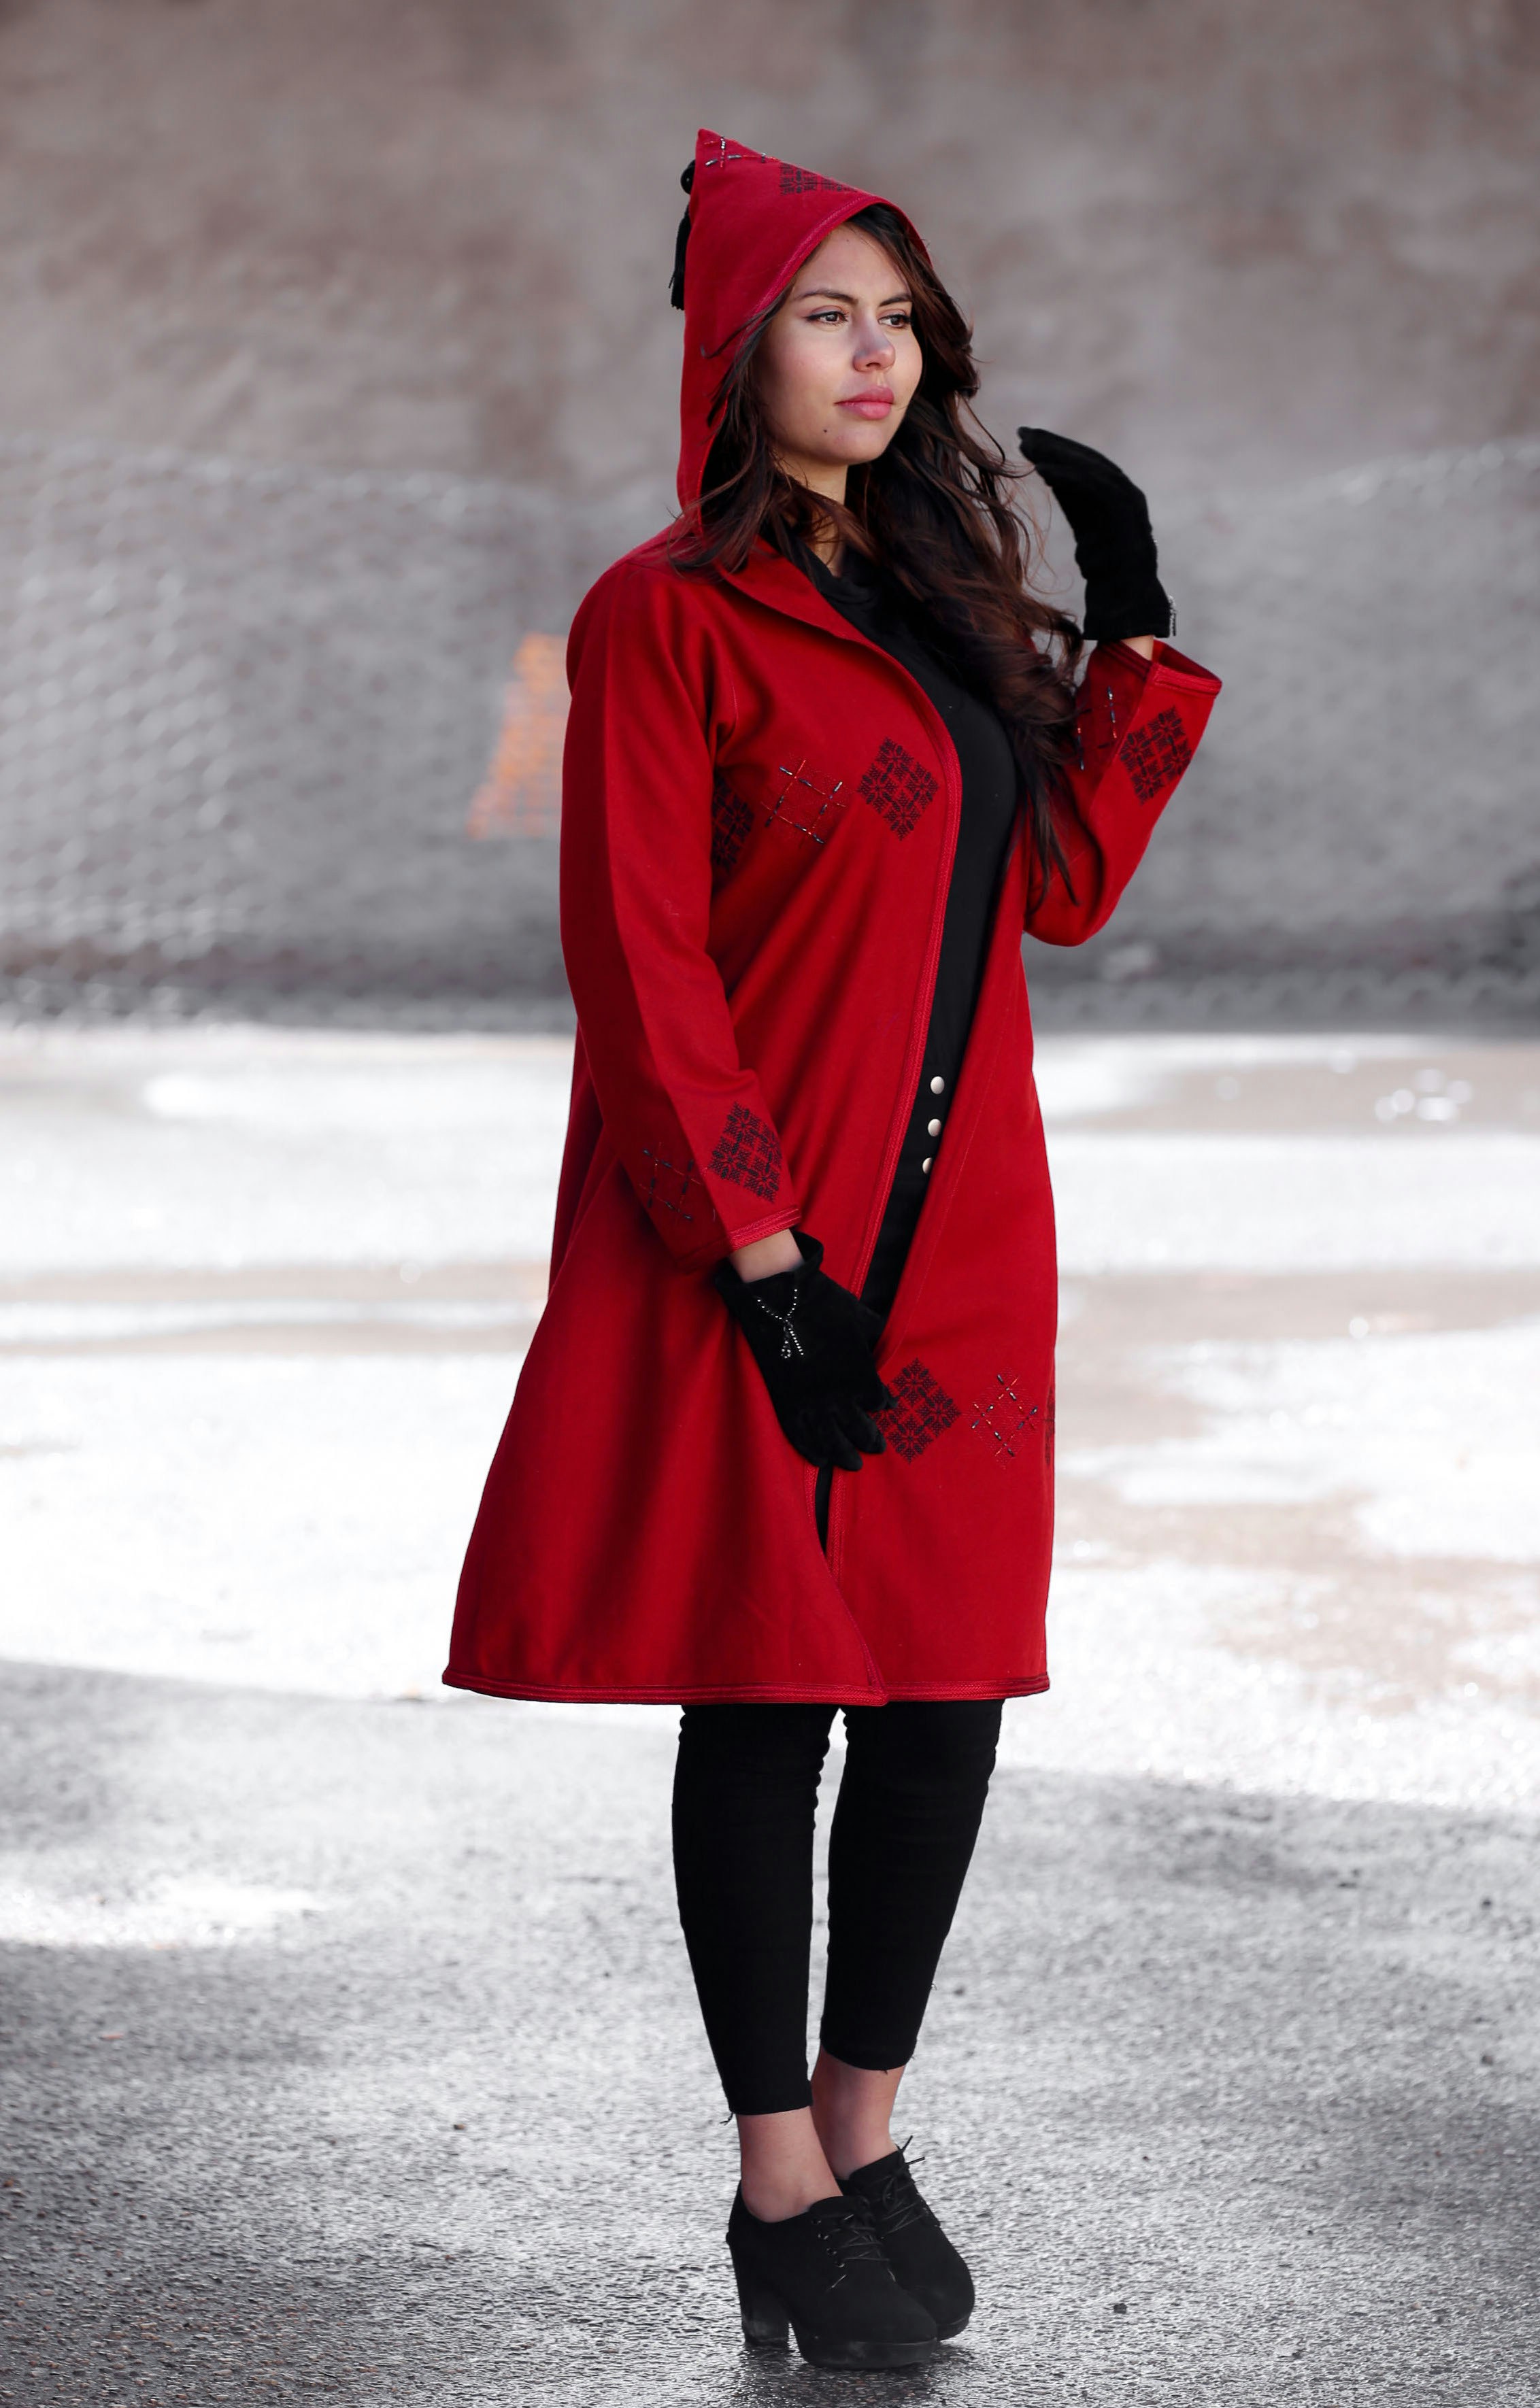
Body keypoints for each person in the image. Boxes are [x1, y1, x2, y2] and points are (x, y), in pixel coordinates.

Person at [446, 129, 1220, 2371]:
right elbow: (647, 971)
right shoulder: (662, 619)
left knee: (948, 1695)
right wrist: (765, 1260)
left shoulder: (936, 604)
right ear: (738, 347)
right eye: (827, 312)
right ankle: (776, 2177)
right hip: (768, 1233)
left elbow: (1054, 889)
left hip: (971, 1228)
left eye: (900, 318)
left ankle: (870, 2134)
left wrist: (1133, 628)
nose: (873, 356)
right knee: (772, 1696)